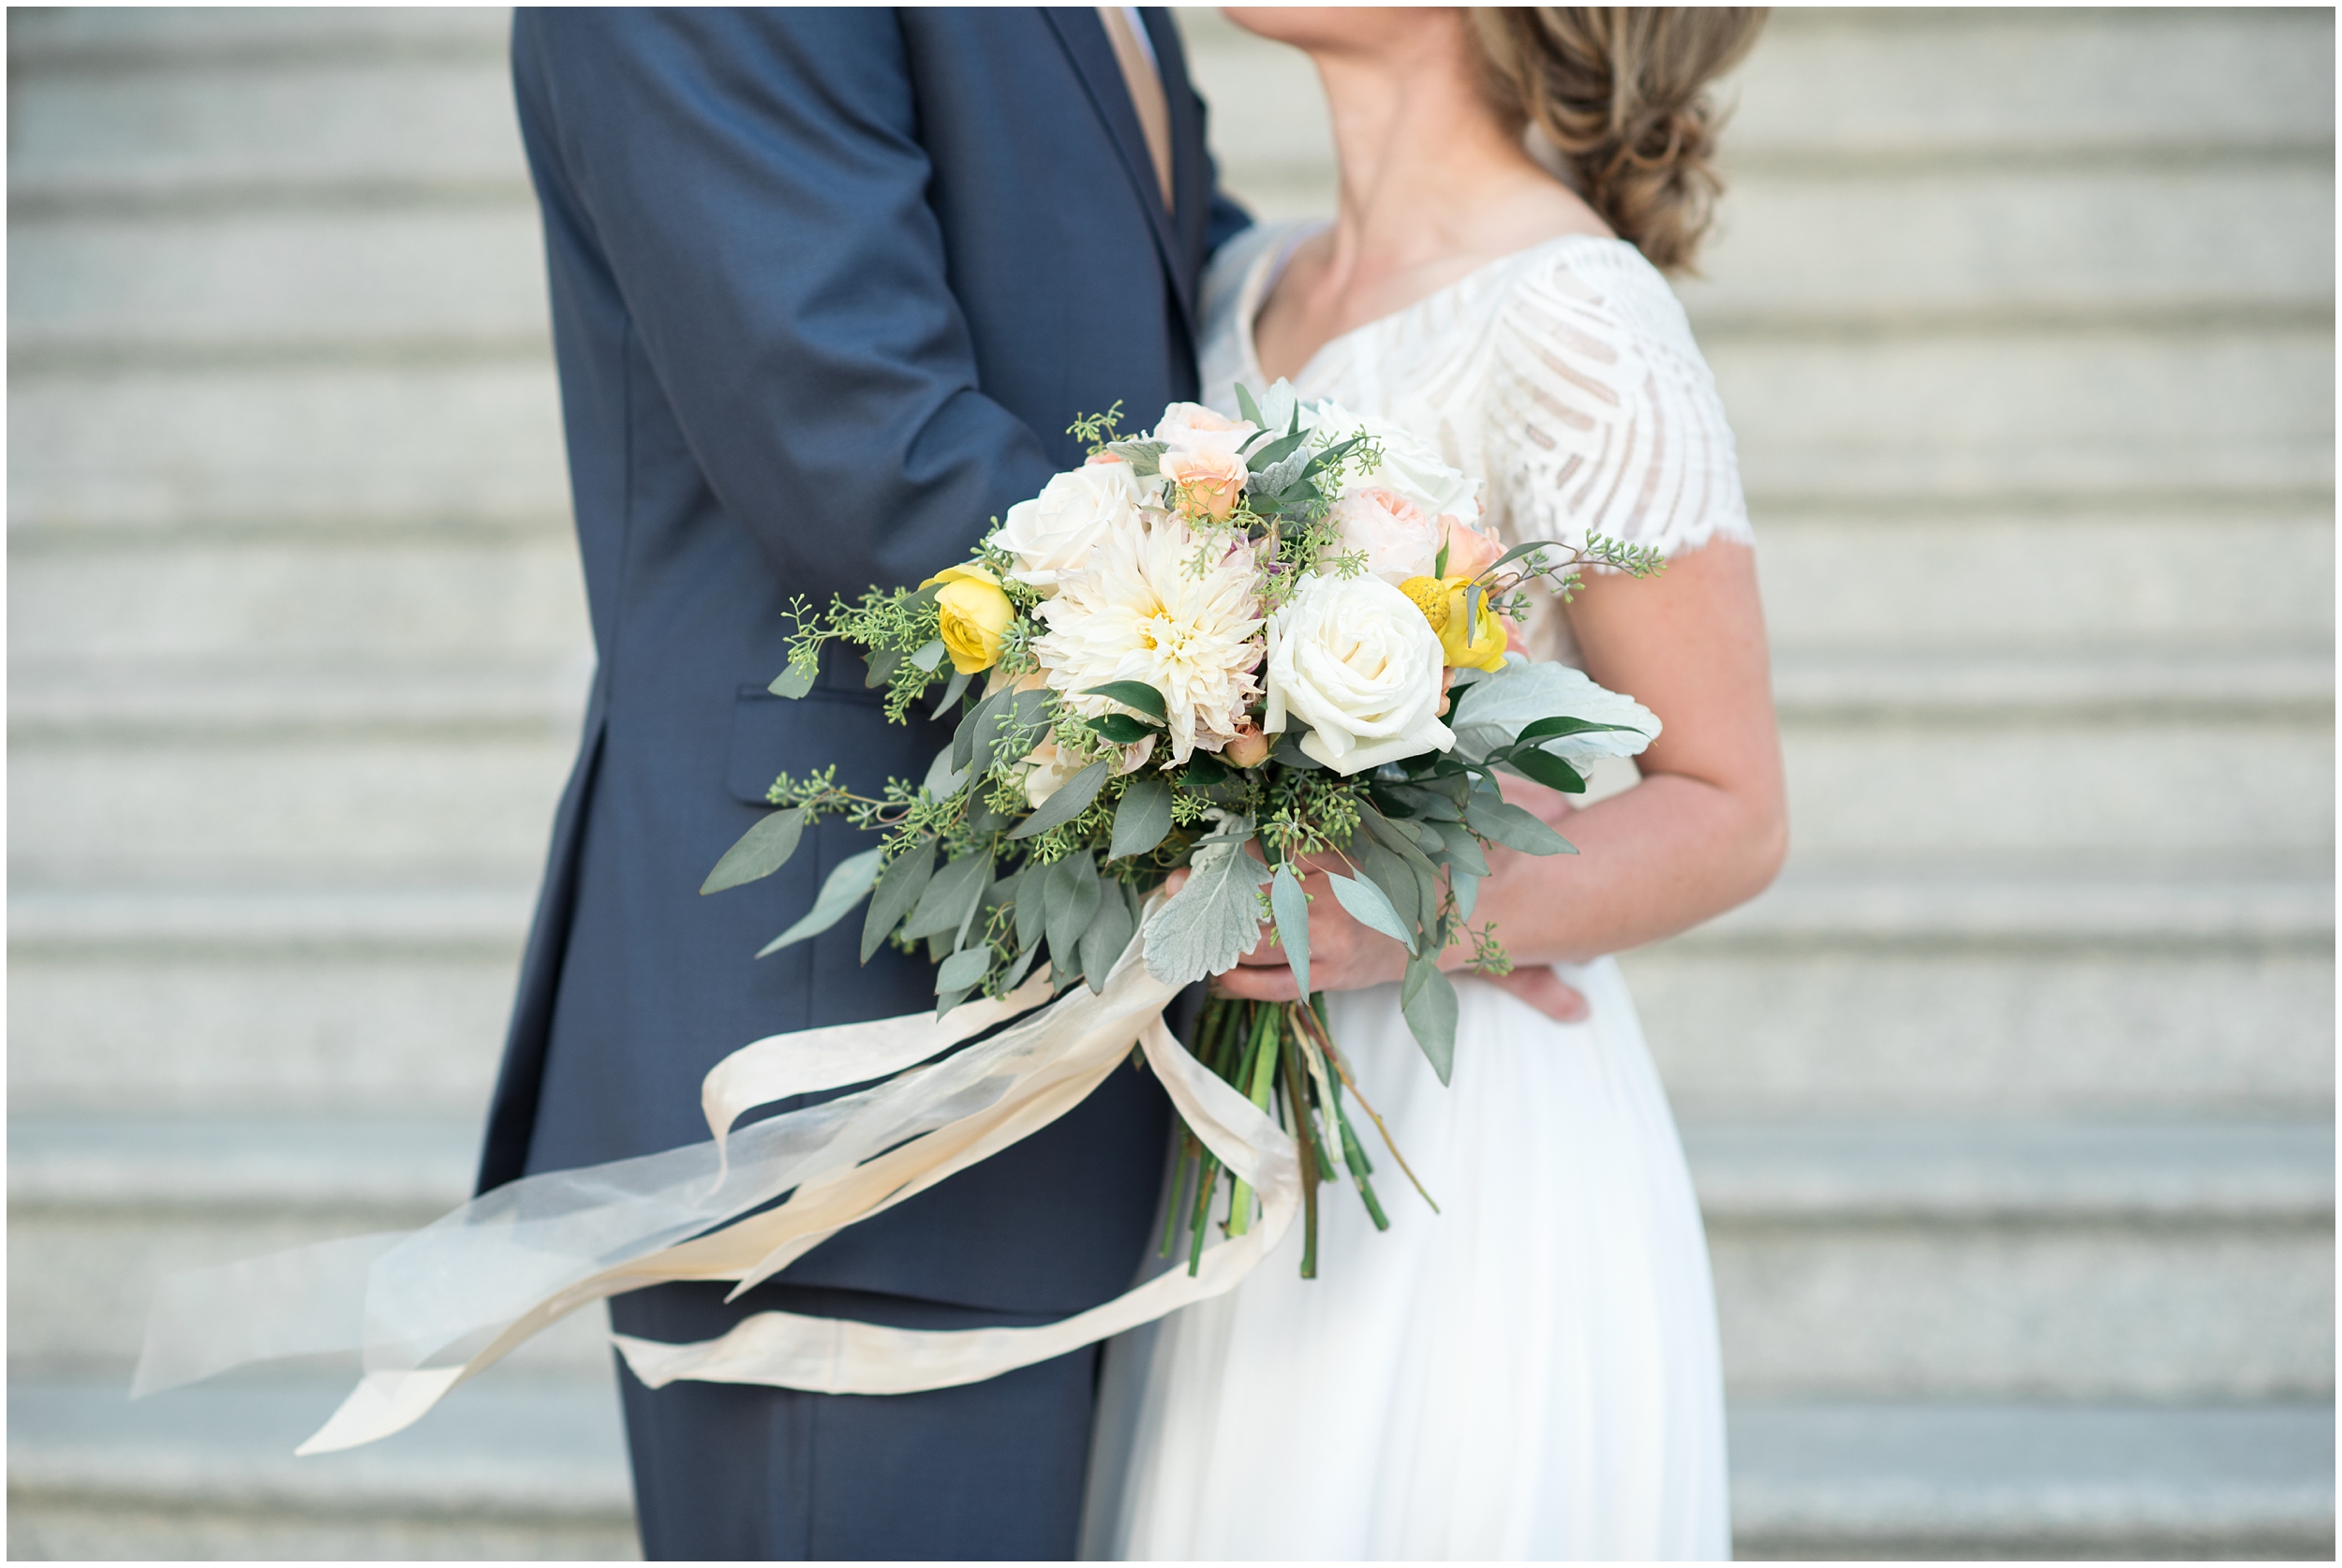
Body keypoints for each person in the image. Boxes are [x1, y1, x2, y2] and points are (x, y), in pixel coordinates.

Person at [483, 10, 1248, 1559]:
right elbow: (863, 441)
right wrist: (1267, 664)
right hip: (849, 1050)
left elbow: (1166, 283)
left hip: (1083, 1019)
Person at [1091, 7, 1781, 1558]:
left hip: (1455, 1148)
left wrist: (1415, 917)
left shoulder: (1575, 315)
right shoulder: (1235, 289)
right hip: (1234, 1141)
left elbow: (1733, 802)